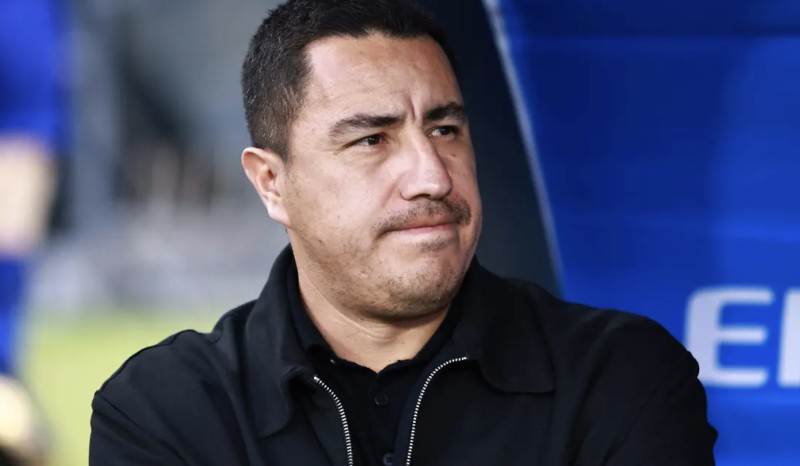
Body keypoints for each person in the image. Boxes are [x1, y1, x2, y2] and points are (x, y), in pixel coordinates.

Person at [89, 0, 717, 464]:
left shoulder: (618, 377)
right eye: (372, 139)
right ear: (272, 183)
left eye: (445, 129)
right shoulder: (164, 410)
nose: (432, 176)